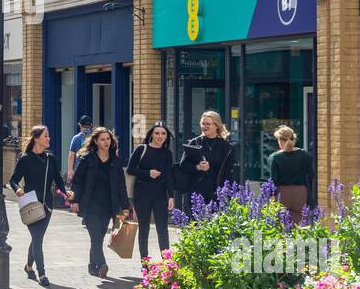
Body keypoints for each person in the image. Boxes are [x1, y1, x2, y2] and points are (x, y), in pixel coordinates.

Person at [9, 125, 68, 288]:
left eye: (48, 136)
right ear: (36, 138)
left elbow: (58, 180)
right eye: (45, 136)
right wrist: (18, 189)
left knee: (37, 238)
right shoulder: (25, 158)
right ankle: (41, 274)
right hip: (29, 203)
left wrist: (66, 192)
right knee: (37, 238)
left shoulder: (51, 159)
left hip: (47, 204)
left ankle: (29, 266)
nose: (48, 139)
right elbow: (12, 179)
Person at [69, 126, 129, 278]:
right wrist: (75, 200)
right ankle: (102, 264)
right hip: (90, 205)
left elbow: (121, 185)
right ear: (95, 141)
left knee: (99, 237)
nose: (106, 142)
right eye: (102, 139)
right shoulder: (88, 159)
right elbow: (78, 181)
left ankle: (92, 265)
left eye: (108, 139)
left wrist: (125, 207)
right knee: (96, 236)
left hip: (109, 206)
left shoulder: (115, 161)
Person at [127, 122, 175, 263]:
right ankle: (145, 262)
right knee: (144, 228)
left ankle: (166, 262)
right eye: (157, 133)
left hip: (160, 193)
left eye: (163, 134)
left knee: (162, 228)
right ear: (151, 134)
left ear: (166, 137)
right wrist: (148, 173)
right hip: (142, 192)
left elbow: (168, 176)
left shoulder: (167, 154)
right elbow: (130, 170)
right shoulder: (142, 149)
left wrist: (171, 196)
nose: (160, 136)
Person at [176, 110, 236, 210]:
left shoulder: (227, 147)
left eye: (208, 124)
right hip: (196, 192)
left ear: (217, 125)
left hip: (218, 192)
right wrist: (198, 167)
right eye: (203, 123)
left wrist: (229, 193)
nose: (205, 126)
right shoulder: (195, 142)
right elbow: (183, 165)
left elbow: (229, 172)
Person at [268, 126, 315, 222]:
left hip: (283, 193)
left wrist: (271, 196)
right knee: (300, 224)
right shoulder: (304, 155)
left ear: (281, 141)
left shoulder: (274, 157)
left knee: (280, 223)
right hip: (301, 193)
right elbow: (312, 175)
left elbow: (273, 180)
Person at [67, 115, 93, 185]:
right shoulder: (96, 137)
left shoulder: (76, 138)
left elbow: (71, 156)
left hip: (79, 170)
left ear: (80, 126)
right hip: (93, 170)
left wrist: (70, 170)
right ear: (91, 125)